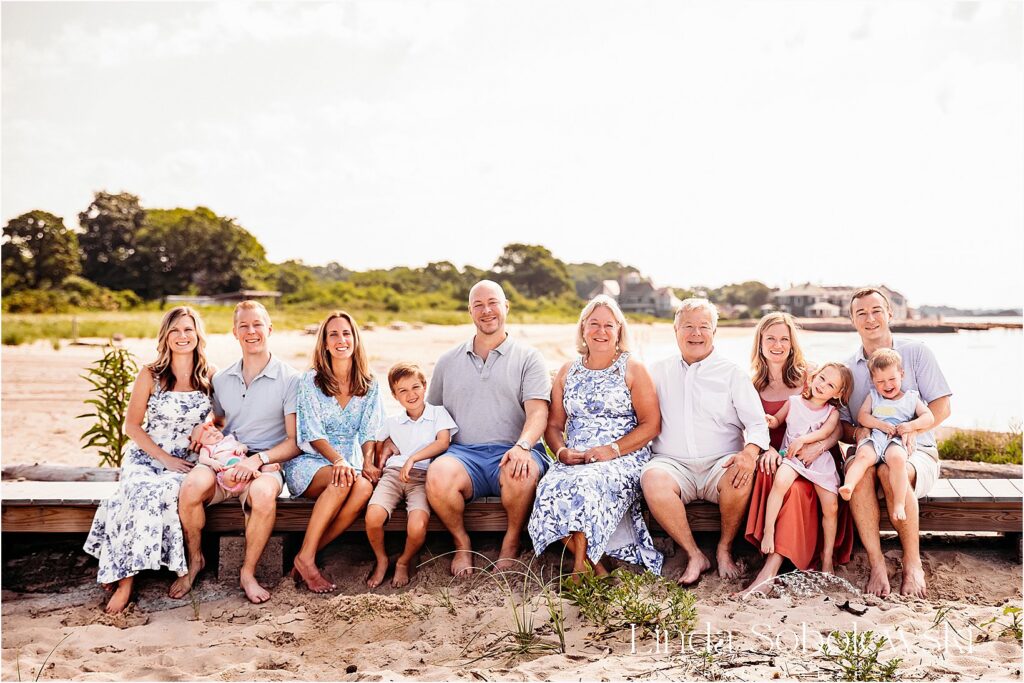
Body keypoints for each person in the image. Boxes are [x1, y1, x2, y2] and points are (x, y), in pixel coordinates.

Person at [84, 307, 214, 614]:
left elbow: (223, 417)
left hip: (188, 462)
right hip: (148, 456)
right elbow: (131, 426)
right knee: (136, 491)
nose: (182, 336)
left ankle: (181, 564)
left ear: (198, 335)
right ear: (165, 337)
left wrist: (205, 424)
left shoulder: (211, 375)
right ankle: (126, 580)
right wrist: (163, 458)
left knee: (167, 491)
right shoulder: (151, 374)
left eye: (188, 330)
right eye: (175, 331)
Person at [528, 295, 663, 577]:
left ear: (619, 331)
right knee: (549, 487)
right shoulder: (567, 371)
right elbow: (553, 427)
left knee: (588, 485)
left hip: (623, 455)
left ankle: (579, 571)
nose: (601, 331)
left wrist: (611, 449)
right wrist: (562, 452)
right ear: (583, 329)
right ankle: (595, 567)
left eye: (608, 325)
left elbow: (651, 425)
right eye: (594, 324)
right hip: (575, 457)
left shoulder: (632, 368)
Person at [176, 301, 301, 604]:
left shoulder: (291, 378)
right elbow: (217, 421)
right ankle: (196, 561)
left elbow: (295, 441)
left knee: (261, 495)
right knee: (191, 487)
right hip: (224, 457)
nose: (251, 331)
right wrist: (202, 428)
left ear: (269, 329)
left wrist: (257, 460)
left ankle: (247, 572)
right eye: (243, 326)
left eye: (257, 324)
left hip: (266, 462)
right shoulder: (222, 378)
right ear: (234, 332)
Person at [425, 280, 552, 576]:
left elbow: (538, 413)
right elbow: (430, 415)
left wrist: (522, 447)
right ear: (470, 312)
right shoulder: (447, 361)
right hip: (462, 455)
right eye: (478, 305)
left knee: (520, 472)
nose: (486, 310)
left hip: (513, 451)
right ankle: (461, 542)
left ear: (505, 306)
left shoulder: (529, 358)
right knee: (438, 475)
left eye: (492, 302)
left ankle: (511, 542)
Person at [640, 298, 769, 585]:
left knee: (740, 474)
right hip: (672, 464)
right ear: (675, 330)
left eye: (703, 327)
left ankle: (724, 548)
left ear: (714, 332)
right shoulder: (656, 371)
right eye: (688, 326)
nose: (695, 334)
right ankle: (694, 553)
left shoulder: (732, 373)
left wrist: (749, 453)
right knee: (652, 480)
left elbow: (757, 425)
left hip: (719, 463)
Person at [841, 287, 952, 598]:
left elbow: (942, 407)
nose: (870, 318)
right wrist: (858, 433)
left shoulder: (916, 353)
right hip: (870, 448)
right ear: (852, 320)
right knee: (863, 472)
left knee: (890, 470)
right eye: (861, 312)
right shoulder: (848, 368)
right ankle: (877, 565)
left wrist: (912, 431)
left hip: (916, 451)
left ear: (890, 314)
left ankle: (912, 563)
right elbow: (842, 424)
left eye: (877, 310)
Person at [742, 312, 852, 597]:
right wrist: (767, 449)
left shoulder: (811, 376)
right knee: (775, 477)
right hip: (778, 456)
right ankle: (768, 555)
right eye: (770, 339)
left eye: (784, 339)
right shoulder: (752, 384)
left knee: (796, 490)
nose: (777, 345)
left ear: (792, 344)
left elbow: (836, 428)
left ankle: (771, 568)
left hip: (815, 458)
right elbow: (752, 426)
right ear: (760, 343)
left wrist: (818, 447)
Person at [286, 310, 385, 593]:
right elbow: (312, 433)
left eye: (346, 333)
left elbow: (368, 432)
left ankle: (307, 554)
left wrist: (366, 461)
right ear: (325, 343)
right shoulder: (311, 381)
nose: (341, 339)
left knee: (364, 487)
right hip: (311, 462)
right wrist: (339, 460)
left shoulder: (369, 382)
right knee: (339, 480)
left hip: (348, 464)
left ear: (354, 339)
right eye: (334, 334)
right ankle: (307, 559)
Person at [365, 363, 457, 588]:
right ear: (395, 396)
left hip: (423, 477)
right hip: (393, 476)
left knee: (416, 526)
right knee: (373, 517)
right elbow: (377, 444)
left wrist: (413, 458)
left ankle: (404, 561)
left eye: (415, 387)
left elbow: (443, 442)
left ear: (425, 386)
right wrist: (383, 449)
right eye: (402, 391)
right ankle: (382, 559)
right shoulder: (392, 422)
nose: (410, 394)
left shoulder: (438, 414)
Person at [758, 363, 853, 573]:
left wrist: (804, 439)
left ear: (837, 393)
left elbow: (824, 433)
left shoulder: (831, 413)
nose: (823, 385)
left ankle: (826, 556)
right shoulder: (793, 402)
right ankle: (769, 531)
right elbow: (777, 421)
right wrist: (770, 420)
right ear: (813, 376)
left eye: (830, 385)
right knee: (780, 481)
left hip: (818, 460)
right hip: (792, 456)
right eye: (822, 378)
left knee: (831, 506)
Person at [842, 348, 935, 523]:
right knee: (862, 456)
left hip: (897, 441)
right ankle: (849, 485)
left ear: (902, 374)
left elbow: (928, 417)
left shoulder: (910, 398)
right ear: (873, 381)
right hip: (876, 436)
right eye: (880, 381)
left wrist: (910, 426)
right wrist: (880, 425)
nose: (887, 385)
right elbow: (863, 416)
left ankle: (899, 503)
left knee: (897, 460)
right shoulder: (873, 397)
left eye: (892, 379)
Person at [191, 422, 282, 495]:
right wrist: (212, 462)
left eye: (215, 431)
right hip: (227, 469)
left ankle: (261, 469)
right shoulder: (208, 448)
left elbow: (244, 446)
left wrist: (241, 448)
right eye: (209, 436)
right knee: (230, 474)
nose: (214, 435)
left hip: (246, 464)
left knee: (254, 463)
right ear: (201, 443)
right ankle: (254, 474)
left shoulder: (229, 439)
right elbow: (202, 458)